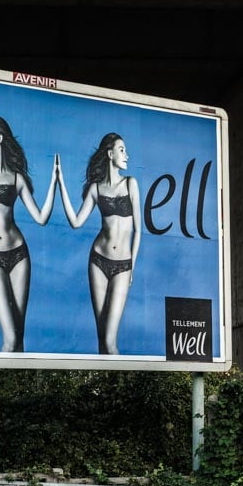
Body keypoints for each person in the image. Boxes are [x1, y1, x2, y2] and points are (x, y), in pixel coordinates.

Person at [56, 132, 141, 355]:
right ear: (110, 153)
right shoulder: (96, 189)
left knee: (111, 341)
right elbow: (75, 222)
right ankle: (106, 388)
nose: (127, 156)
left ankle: (119, 389)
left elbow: (138, 230)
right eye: (122, 150)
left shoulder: (131, 184)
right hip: (98, 261)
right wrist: (60, 183)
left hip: (122, 264)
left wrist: (132, 265)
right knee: (102, 338)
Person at [0, 115, 58, 352]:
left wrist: (53, 183)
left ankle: (18, 388)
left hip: (19, 255)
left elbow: (41, 218)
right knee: (10, 338)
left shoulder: (17, 178)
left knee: (19, 336)